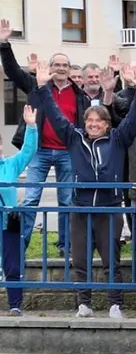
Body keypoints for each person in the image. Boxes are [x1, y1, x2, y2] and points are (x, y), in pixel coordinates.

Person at [33, 61, 136, 319]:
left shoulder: (118, 139)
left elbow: (132, 120)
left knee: (112, 261)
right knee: (80, 260)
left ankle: (115, 304)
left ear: (107, 125)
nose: (93, 124)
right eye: (90, 120)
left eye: (99, 121)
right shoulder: (74, 138)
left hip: (109, 209)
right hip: (81, 208)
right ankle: (83, 304)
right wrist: (42, 88)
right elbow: (54, 115)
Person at [0, 19, 90, 257]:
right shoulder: (37, 86)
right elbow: (12, 71)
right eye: (57, 64)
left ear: (70, 70)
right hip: (39, 151)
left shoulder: (80, 95)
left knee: (67, 201)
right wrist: (4, 43)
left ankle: (65, 247)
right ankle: (20, 247)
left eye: (65, 65)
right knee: (30, 201)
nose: (61, 68)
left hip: (67, 153)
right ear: (50, 68)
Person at [0, 105, 38, 316]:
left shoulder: (10, 165)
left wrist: (31, 127)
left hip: (8, 223)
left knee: (12, 267)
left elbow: (28, 152)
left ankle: (15, 304)